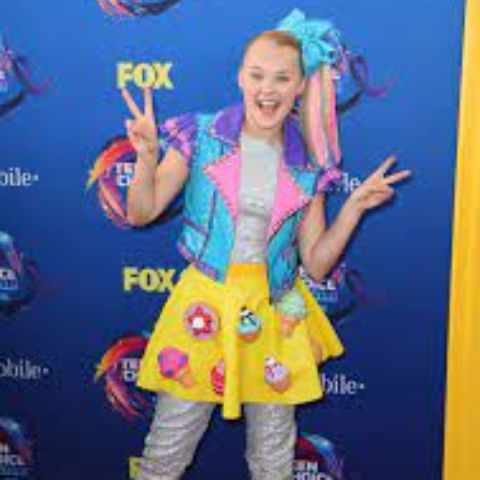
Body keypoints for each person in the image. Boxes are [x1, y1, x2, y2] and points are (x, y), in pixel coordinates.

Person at [122, 9, 411, 480]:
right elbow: (140, 212)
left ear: (300, 86)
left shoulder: (309, 167)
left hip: (275, 314)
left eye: (282, 78)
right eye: (257, 75)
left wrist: (354, 208)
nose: (268, 89)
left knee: (273, 459)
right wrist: (147, 157)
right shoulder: (200, 136)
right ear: (240, 77)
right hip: (204, 309)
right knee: (166, 452)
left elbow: (316, 265)